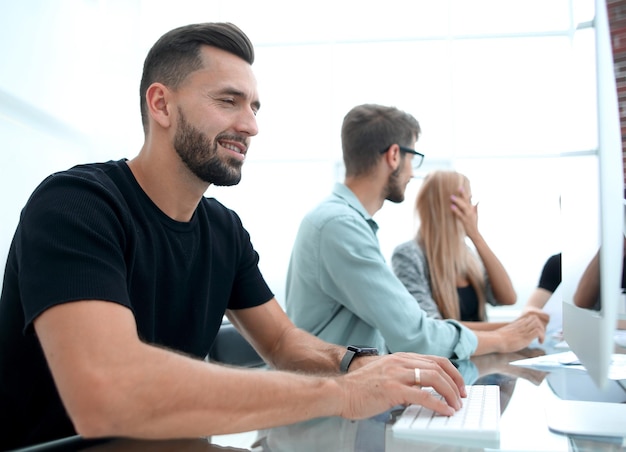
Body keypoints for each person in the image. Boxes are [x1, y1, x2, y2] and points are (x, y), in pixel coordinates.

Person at [0, 23, 466, 451]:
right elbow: (108, 391)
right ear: (161, 104)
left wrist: (357, 363)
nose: (251, 125)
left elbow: (283, 343)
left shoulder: (223, 229)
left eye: (254, 106)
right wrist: (343, 393)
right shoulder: (74, 205)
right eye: (228, 101)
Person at [285, 104, 546, 363]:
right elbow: (415, 335)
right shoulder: (340, 226)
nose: (412, 172)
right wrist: (502, 338)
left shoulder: (341, 220)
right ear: (394, 155)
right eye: (413, 159)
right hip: (335, 393)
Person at [392, 170, 548, 333]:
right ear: (452, 206)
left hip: (480, 355)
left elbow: (508, 298)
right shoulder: (408, 255)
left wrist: (475, 235)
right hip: (442, 357)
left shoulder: (467, 253)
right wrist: (514, 327)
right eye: (469, 200)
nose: (473, 208)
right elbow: (433, 327)